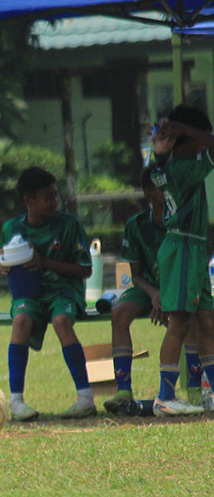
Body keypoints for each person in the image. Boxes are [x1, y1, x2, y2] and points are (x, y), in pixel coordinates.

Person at [0, 166, 96, 421]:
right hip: (28, 294)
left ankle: (85, 398)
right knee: (20, 320)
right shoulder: (12, 229)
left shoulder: (69, 225)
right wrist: (3, 265)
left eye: (56, 195)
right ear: (28, 201)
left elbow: (85, 269)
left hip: (64, 291)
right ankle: (17, 402)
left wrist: (44, 263)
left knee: (61, 320)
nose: (55, 201)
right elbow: (3, 262)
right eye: (48, 197)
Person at [148, 105, 214, 416]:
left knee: (207, 322)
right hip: (184, 248)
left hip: (194, 248)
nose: (203, 142)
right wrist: (183, 129)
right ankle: (164, 396)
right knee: (179, 323)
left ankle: (211, 392)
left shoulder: (165, 164)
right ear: (185, 141)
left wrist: (168, 140)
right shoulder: (185, 168)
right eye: (198, 138)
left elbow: (156, 163)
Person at [103, 167, 167, 415]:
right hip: (148, 287)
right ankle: (123, 391)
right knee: (119, 313)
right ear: (148, 192)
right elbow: (136, 275)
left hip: (177, 285)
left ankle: (189, 391)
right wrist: (153, 294)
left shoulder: (183, 220)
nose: (168, 192)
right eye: (162, 187)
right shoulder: (136, 225)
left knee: (189, 317)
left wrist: (167, 296)